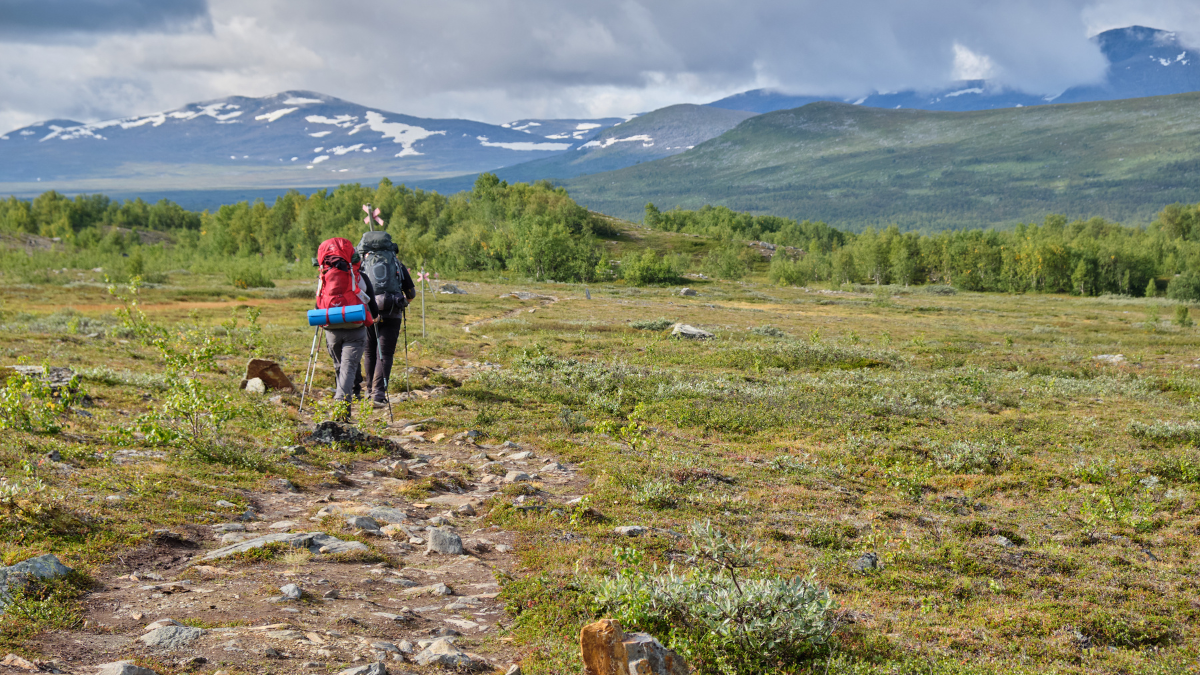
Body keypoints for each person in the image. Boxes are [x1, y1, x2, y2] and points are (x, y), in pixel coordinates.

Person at [315, 237, 379, 420]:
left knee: (340, 367)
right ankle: (342, 409)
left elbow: (318, 304)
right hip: (355, 328)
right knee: (348, 367)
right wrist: (374, 317)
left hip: (331, 329)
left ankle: (342, 404)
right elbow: (373, 306)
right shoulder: (360, 277)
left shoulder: (323, 277)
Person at [355, 230, 416, 407]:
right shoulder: (396, 263)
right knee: (385, 353)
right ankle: (379, 395)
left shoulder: (362, 264)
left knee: (369, 352)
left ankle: (369, 391)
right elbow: (411, 293)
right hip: (392, 311)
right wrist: (403, 303)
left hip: (368, 312)